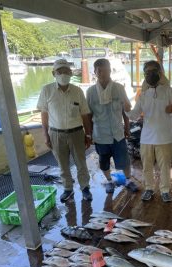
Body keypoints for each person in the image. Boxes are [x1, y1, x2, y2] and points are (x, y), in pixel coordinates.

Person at [37, 58, 92, 203]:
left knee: (81, 163)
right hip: (56, 133)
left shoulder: (77, 91)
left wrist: (88, 134)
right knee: (62, 164)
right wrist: (45, 135)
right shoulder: (46, 90)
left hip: (77, 133)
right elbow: (44, 113)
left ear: (71, 73)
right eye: (59, 71)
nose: (63, 74)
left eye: (66, 71)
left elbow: (85, 114)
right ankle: (68, 189)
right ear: (53, 73)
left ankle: (85, 188)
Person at [126, 60, 172, 202]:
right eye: (147, 72)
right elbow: (134, 115)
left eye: (153, 72)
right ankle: (149, 188)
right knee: (147, 167)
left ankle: (165, 190)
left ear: (160, 73)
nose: (150, 75)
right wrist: (125, 108)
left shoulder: (169, 91)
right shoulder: (143, 95)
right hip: (146, 138)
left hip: (165, 138)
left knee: (165, 167)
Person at [86, 58, 138, 194]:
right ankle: (109, 181)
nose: (104, 73)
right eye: (100, 71)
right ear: (95, 72)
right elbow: (88, 114)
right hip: (100, 134)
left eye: (107, 70)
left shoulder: (119, 88)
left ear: (110, 70)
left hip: (117, 132)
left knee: (124, 159)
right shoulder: (91, 92)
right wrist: (89, 133)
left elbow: (125, 110)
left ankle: (127, 180)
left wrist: (127, 127)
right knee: (103, 161)